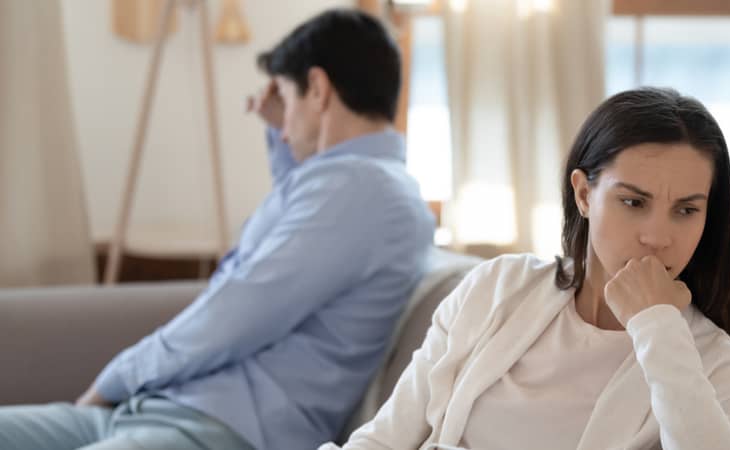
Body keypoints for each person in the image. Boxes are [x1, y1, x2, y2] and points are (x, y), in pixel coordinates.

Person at [0, 8, 435, 450]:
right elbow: (286, 226)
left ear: (318, 89)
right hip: (164, 409)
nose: (284, 131)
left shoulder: (365, 191)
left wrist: (118, 378)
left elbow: (239, 310)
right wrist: (279, 135)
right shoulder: (349, 189)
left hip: (219, 427)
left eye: (286, 98)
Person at [324, 87, 730, 450]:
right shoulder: (497, 287)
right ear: (584, 194)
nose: (657, 237)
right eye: (633, 202)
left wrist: (658, 326)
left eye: (686, 210)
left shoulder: (718, 366)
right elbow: (383, 440)